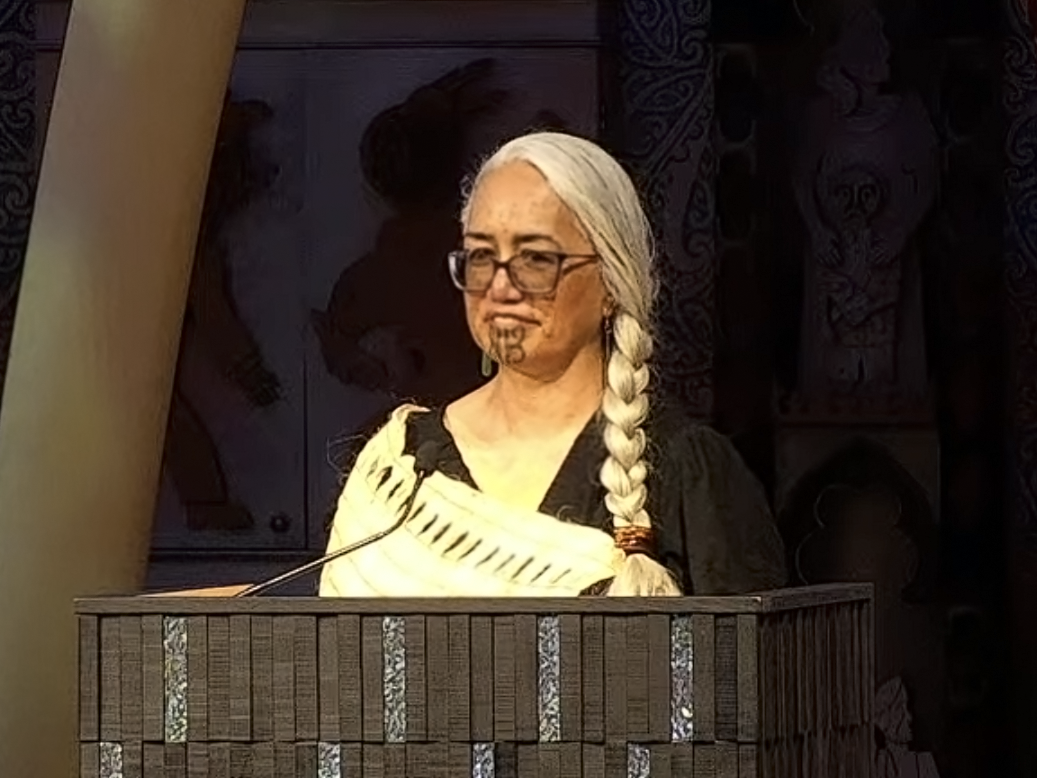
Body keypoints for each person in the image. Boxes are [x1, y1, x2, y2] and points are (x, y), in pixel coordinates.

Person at [319, 131, 786, 597]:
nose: (500, 288)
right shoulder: (400, 467)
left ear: (611, 283)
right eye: (481, 256)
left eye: (536, 259)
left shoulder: (684, 470)